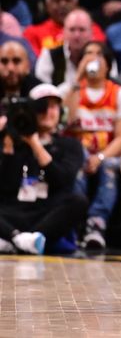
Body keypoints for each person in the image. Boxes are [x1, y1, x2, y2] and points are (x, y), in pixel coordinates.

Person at [65, 41, 121, 249]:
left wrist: (100, 157)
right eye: (88, 54)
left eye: (98, 54)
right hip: (76, 154)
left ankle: (96, 223)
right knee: (75, 164)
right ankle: (74, 222)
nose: (93, 58)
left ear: (107, 64)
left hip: (108, 155)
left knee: (110, 167)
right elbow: (63, 122)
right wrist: (77, 82)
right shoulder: (70, 90)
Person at [0, 84, 87, 255]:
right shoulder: (13, 143)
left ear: (61, 112)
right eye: (41, 107)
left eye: (53, 106)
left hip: (46, 213)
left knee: (78, 201)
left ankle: (15, 240)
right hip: (14, 211)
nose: (48, 112)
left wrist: (35, 143)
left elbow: (62, 180)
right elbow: (5, 187)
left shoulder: (70, 145)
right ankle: (22, 240)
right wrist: (8, 146)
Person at [23, 0, 105, 57]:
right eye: (57, 0)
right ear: (47, 6)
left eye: (67, 0)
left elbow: (98, 54)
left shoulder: (92, 29)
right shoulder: (33, 33)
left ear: (76, 4)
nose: (63, 4)